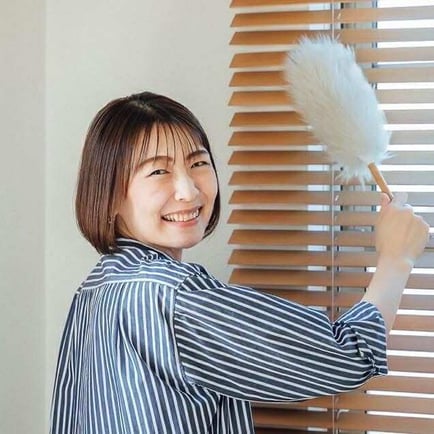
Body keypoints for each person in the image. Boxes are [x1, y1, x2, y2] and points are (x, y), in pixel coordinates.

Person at [50, 91, 429, 434]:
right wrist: (396, 259)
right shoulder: (175, 297)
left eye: (198, 163)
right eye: (159, 171)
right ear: (110, 196)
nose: (188, 190)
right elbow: (345, 356)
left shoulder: (94, 291)